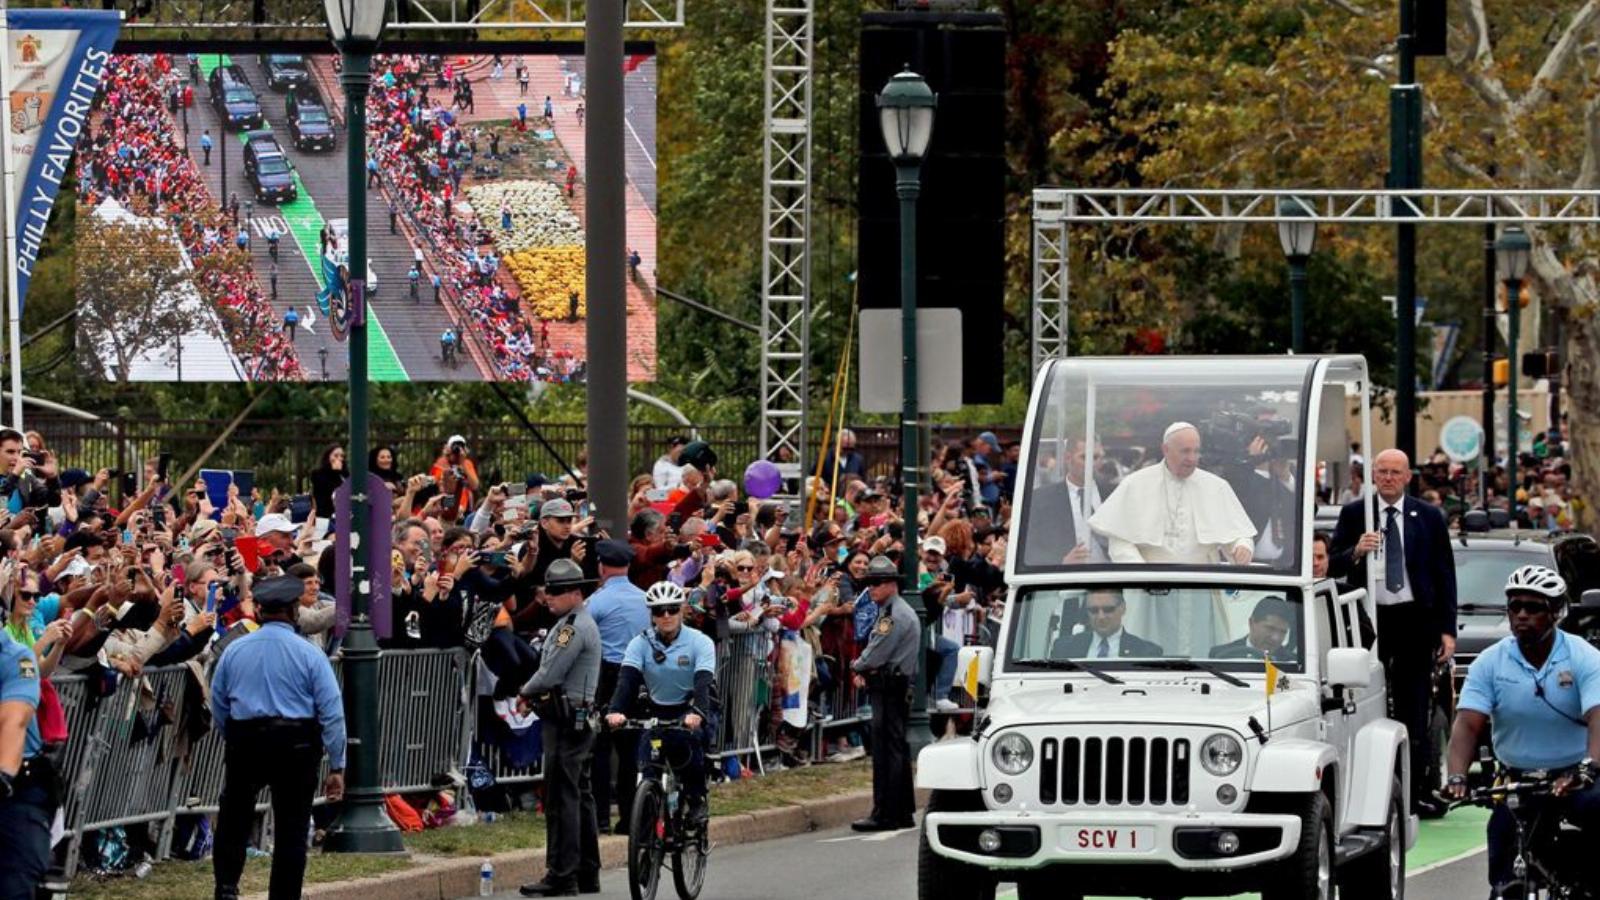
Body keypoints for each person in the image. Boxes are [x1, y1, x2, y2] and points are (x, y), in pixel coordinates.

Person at [1444, 565, 1600, 897]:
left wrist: (1588, 767)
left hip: (1577, 774)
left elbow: (1598, 718)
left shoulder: (1583, 657)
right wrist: (1457, 776)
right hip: (1518, 778)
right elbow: (1467, 725)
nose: (1521, 615)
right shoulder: (1490, 662)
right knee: (1503, 844)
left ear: (1556, 612)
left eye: (1533, 607)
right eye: (1514, 607)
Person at [1330, 447, 1456, 817]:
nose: (1387, 477)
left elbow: (1444, 573)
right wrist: (1356, 551)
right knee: (1368, 704)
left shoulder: (1428, 516)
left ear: (1406, 477)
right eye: (1381, 471)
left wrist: (1447, 630)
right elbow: (1331, 562)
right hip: (1372, 621)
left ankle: (1414, 792)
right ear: (1372, 475)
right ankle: (1368, 794)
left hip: (1415, 620)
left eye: (1394, 472)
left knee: (1413, 710)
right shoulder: (1356, 514)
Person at [210, 576, 346, 900]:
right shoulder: (310, 654)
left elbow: (217, 701)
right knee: (292, 829)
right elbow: (332, 712)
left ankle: (226, 889)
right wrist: (338, 765)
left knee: (234, 821)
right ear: (294, 610)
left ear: (259, 609)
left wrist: (232, 735)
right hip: (296, 743)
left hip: (246, 739)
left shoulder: (234, 650)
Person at [517, 559, 602, 897]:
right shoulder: (572, 622)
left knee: (562, 797)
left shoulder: (573, 626)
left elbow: (551, 672)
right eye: (547, 589)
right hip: (574, 716)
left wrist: (525, 691)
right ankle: (585, 872)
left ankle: (562, 874)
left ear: (575, 593)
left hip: (567, 718)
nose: (547, 596)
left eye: (555, 591)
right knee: (579, 795)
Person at [604, 581, 718, 823]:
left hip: (690, 706)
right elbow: (627, 681)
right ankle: (647, 819)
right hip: (657, 708)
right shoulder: (640, 643)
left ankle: (697, 800)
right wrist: (615, 711)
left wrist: (698, 712)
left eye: (672, 609)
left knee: (690, 745)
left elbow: (703, 683)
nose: (666, 616)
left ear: (681, 610)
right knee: (647, 760)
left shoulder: (699, 642)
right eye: (658, 611)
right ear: (651, 615)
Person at [1089, 421, 1257, 565]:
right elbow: (1119, 541)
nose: (1192, 458)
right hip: (1150, 588)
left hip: (1202, 586)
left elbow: (1237, 534)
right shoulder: (1136, 484)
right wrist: (1141, 574)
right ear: (1166, 449)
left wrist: (1242, 547)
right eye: (1185, 451)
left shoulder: (1216, 487)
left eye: (1196, 451)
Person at [849, 555, 918, 832]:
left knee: (886, 752)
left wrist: (858, 665)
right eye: (870, 584)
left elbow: (876, 651)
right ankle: (901, 811)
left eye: (877, 583)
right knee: (895, 749)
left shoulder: (892, 616)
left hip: (889, 686)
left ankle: (886, 813)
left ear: (891, 584)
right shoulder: (895, 611)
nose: (872, 589)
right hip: (895, 685)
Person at [587, 540, 651, 834]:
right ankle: (629, 819)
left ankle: (599, 817)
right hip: (638, 674)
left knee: (600, 748)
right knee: (630, 752)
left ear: (601, 567)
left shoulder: (597, 601)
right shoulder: (644, 599)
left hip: (607, 675)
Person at [0, 623, 53, 899]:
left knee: (15, 885)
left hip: (18, 788)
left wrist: (3, 774)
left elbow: (14, 720)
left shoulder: (18, 658)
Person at [1023, 436, 1105, 566]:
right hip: (1066, 579)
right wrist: (1060, 562)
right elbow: (1029, 548)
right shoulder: (1042, 499)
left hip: (1113, 577)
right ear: (1068, 458)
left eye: (1096, 457)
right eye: (1084, 457)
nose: (1092, 463)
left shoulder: (1114, 493)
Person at [1053, 589, 1164, 659]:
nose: (1101, 616)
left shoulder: (1147, 652)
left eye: (1108, 609)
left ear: (1123, 608)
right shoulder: (1063, 648)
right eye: (1094, 610)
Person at [1208, 596, 1295, 661]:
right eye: (1270, 629)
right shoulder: (1220, 654)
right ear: (1251, 623)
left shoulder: (1292, 662)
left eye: (1283, 632)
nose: (1276, 638)